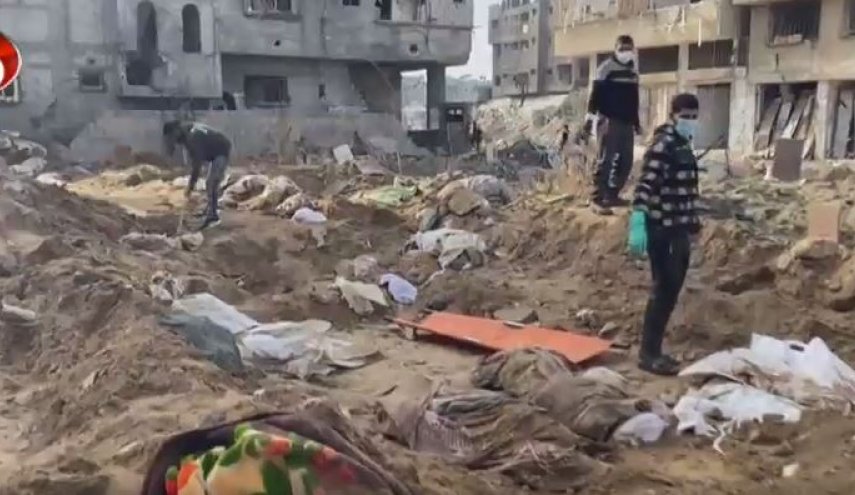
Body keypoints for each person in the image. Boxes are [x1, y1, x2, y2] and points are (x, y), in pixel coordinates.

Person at [627, 93, 701, 376]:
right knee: (663, 290)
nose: (690, 121)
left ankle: (655, 350)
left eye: (694, 117)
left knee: (670, 292)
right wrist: (638, 217)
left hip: (679, 228)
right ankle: (648, 354)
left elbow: (685, 189)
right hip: (663, 229)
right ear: (673, 115)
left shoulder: (683, 144)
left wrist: (692, 224)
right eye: (685, 116)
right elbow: (646, 185)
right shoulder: (664, 145)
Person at [583, 34, 641, 213]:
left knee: (626, 161)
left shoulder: (632, 71)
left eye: (629, 49)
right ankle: (596, 198)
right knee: (606, 160)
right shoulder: (605, 68)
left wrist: (636, 122)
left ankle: (612, 194)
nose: (626, 52)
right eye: (622, 49)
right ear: (615, 50)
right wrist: (589, 119)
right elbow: (595, 95)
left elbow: (634, 98)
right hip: (608, 120)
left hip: (626, 122)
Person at [163, 120, 231, 230]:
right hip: (214, 150)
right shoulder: (187, 130)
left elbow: (197, 166)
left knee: (211, 183)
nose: (172, 140)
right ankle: (209, 210)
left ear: (176, 131)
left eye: (172, 137)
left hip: (221, 150)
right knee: (209, 183)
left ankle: (213, 216)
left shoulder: (192, 138)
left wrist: (190, 186)